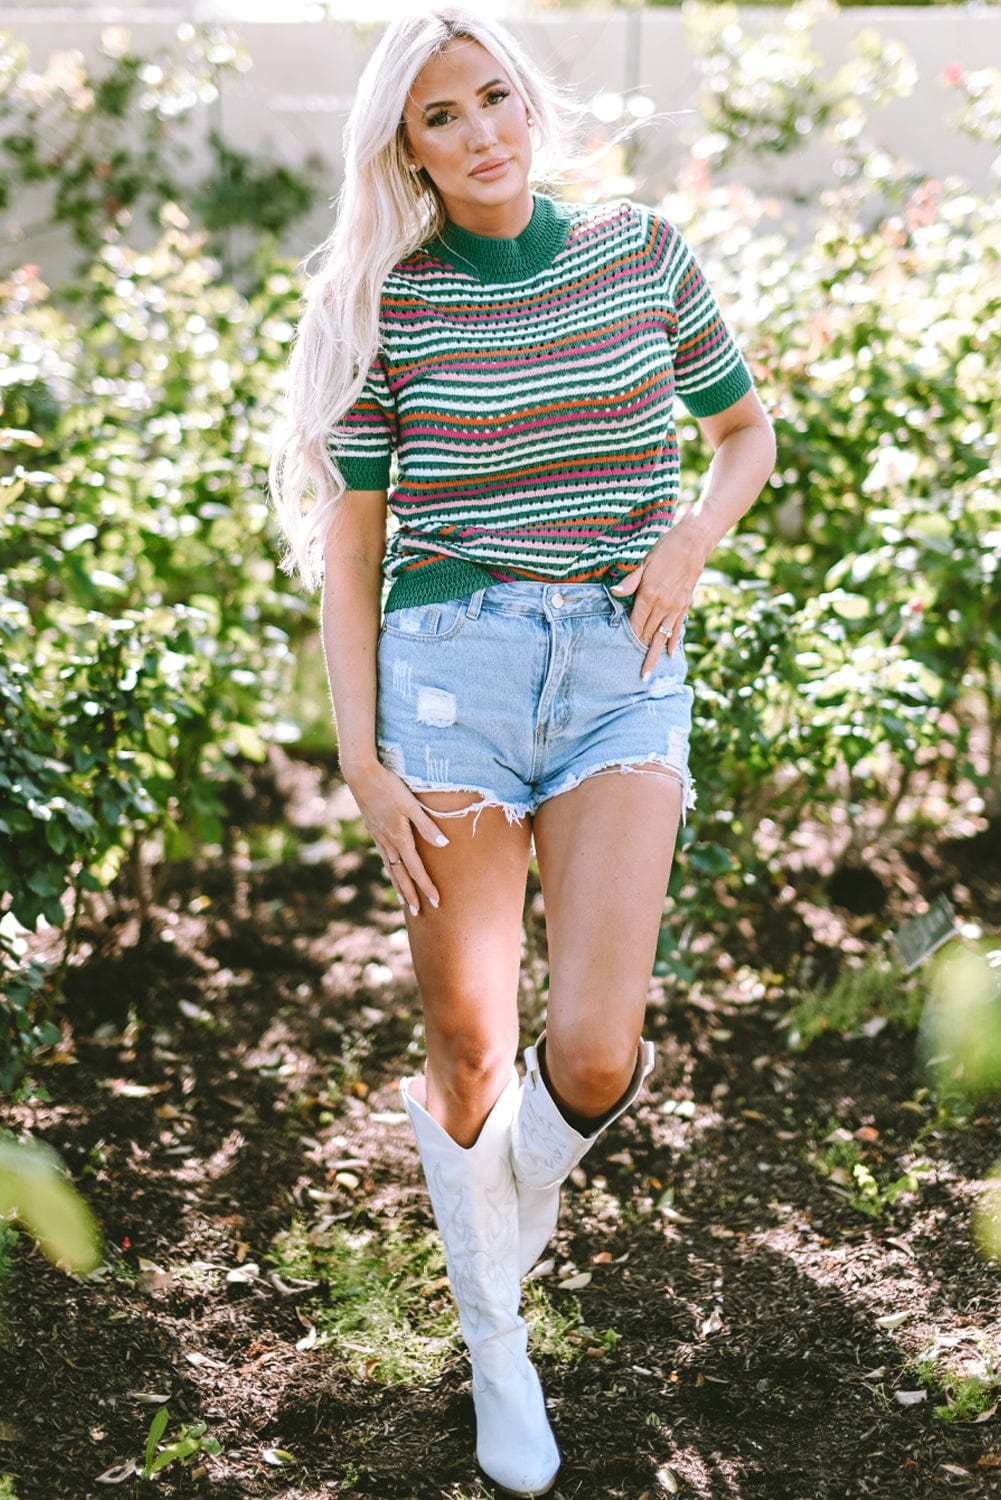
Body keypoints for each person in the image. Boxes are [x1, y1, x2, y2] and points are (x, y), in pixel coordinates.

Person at [271, 8, 775, 1495]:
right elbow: (351, 549)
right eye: (442, 116)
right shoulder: (395, 305)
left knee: (598, 1051)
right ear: (405, 149)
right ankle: (501, 1345)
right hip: (448, 681)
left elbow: (743, 430)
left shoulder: (636, 248)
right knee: (472, 1046)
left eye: (494, 97)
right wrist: (361, 759)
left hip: (621, 671)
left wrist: (689, 539)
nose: (481, 131)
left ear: (529, 102)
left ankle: (498, 1212)